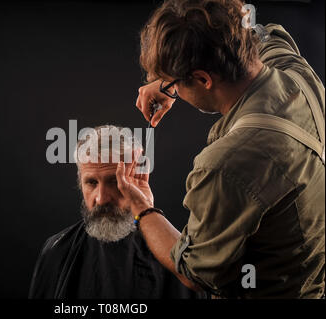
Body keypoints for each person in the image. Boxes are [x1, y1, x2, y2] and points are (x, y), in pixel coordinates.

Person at [118, 0, 324, 298]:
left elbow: (195, 272)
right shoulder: (294, 71)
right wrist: (172, 77)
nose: (171, 89)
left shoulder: (226, 164)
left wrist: (141, 208)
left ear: (202, 78)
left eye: (175, 84)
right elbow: (257, 32)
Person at [28, 125, 206, 299]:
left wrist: (144, 208)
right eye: (91, 182)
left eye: (114, 181)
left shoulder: (177, 252)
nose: (101, 199)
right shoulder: (57, 250)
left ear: (138, 178)